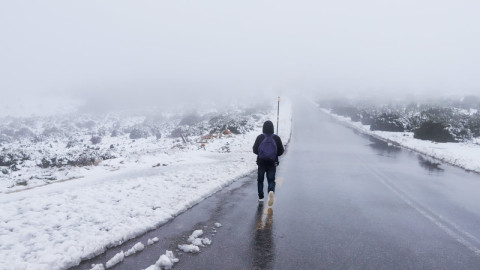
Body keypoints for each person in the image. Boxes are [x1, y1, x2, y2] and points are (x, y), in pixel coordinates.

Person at [253, 120, 284, 206]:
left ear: (263, 128)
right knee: (271, 180)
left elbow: (254, 150)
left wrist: (261, 154)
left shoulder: (260, 137)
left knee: (260, 180)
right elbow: (281, 151)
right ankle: (271, 191)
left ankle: (261, 197)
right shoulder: (276, 138)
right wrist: (274, 154)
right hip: (272, 163)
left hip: (261, 163)